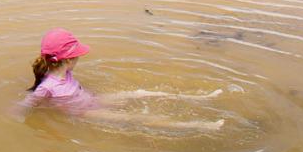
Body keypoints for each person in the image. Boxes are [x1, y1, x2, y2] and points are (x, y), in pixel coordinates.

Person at [16, 28, 224, 131]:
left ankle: (201, 98)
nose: (80, 57)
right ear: (68, 60)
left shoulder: (64, 72)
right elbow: (28, 103)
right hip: (87, 112)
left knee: (139, 94)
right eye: (77, 55)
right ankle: (201, 125)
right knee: (137, 119)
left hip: (93, 99)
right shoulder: (47, 86)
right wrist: (15, 116)